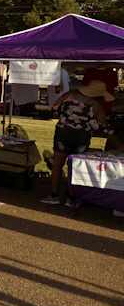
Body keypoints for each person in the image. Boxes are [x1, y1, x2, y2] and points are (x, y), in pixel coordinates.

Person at [40, 75, 107, 207]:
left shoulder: (69, 95)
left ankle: (54, 194)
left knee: (57, 164)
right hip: (81, 137)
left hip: (63, 133)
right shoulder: (96, 105)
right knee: (75, 167)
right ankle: (71, 198)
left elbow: (54, 107)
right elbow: (101, 124)